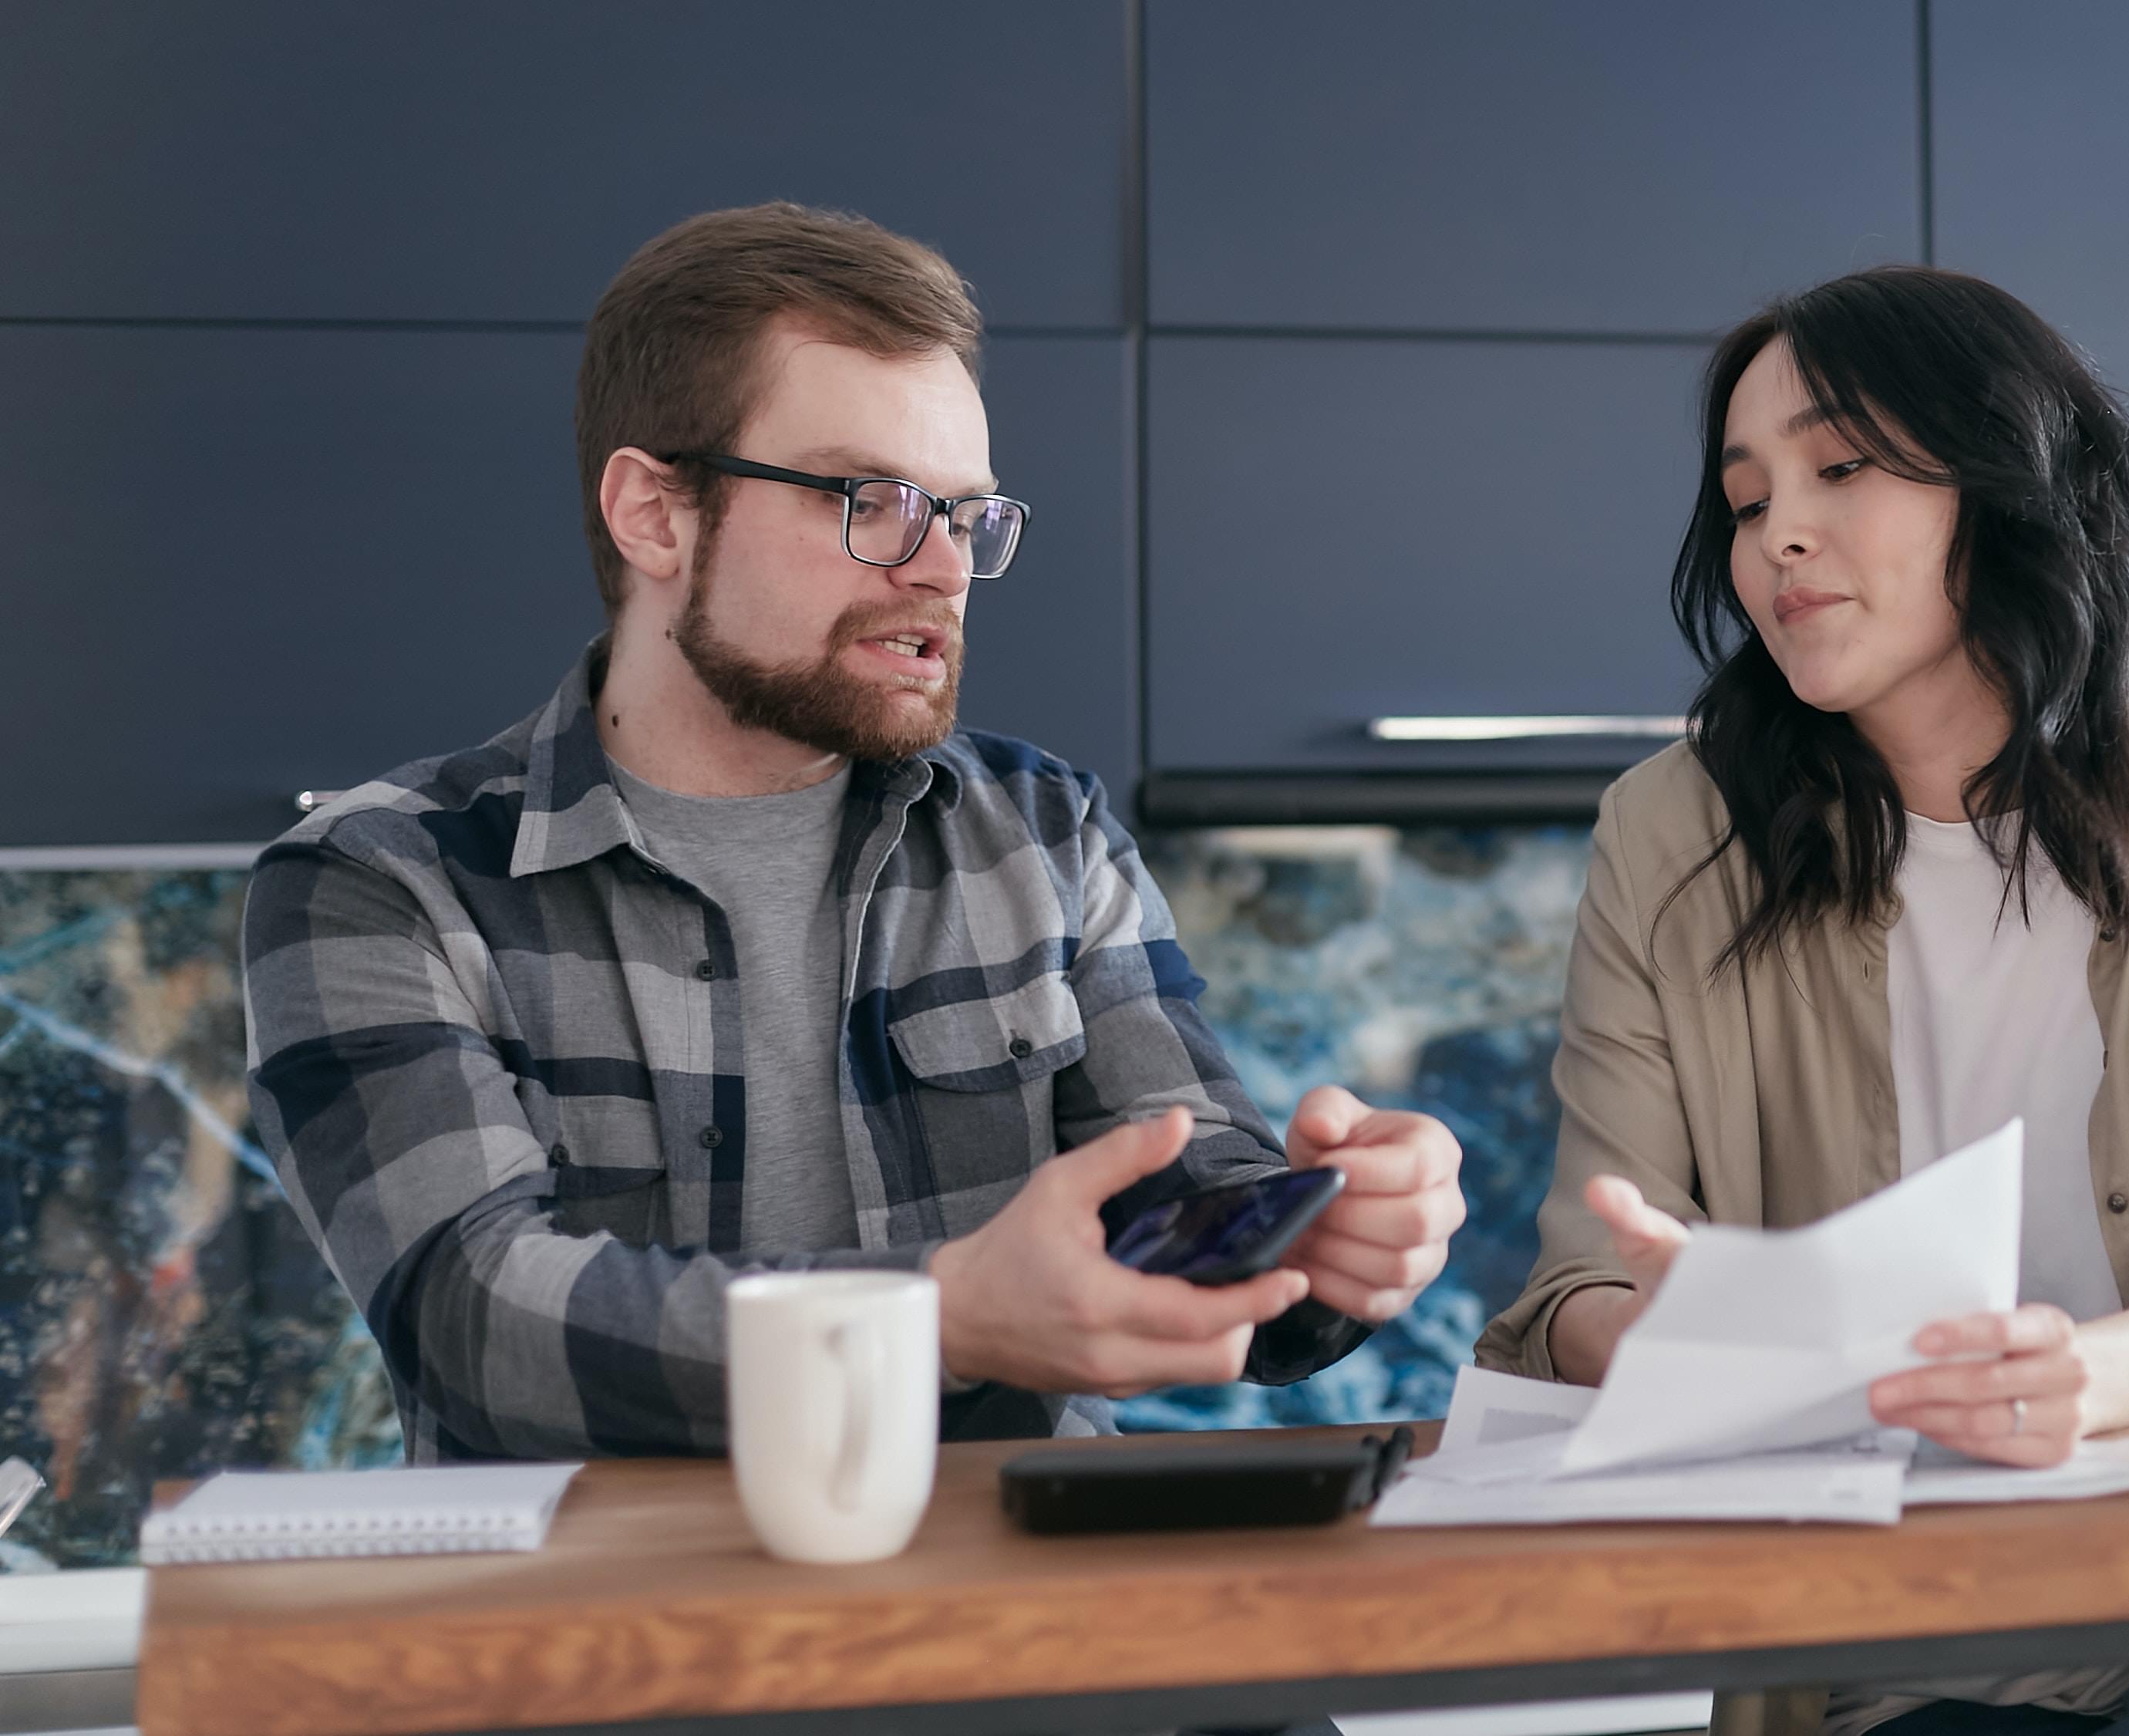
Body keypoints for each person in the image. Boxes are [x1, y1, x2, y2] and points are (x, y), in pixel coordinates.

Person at [1474, 267, 2129, 1736]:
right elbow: (1575, 1290)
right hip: (1876, 1630)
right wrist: (1691, 1333)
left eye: (1841, 466)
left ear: (2007, 481)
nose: (1777, 530)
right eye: (1745, 492)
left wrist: (2073, 1382)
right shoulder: (1671, 830)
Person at [244, 202, 1465, 1461]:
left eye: (968, 515)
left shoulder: (1043, 833)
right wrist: (936, 1322)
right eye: (871, 500)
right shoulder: (378, 881)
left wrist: (1321, 1237)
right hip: (614, 1635)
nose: (940, 567)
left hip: (1016, 1618)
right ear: (654, 514)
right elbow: (473, 1321)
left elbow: (1185, 1190)